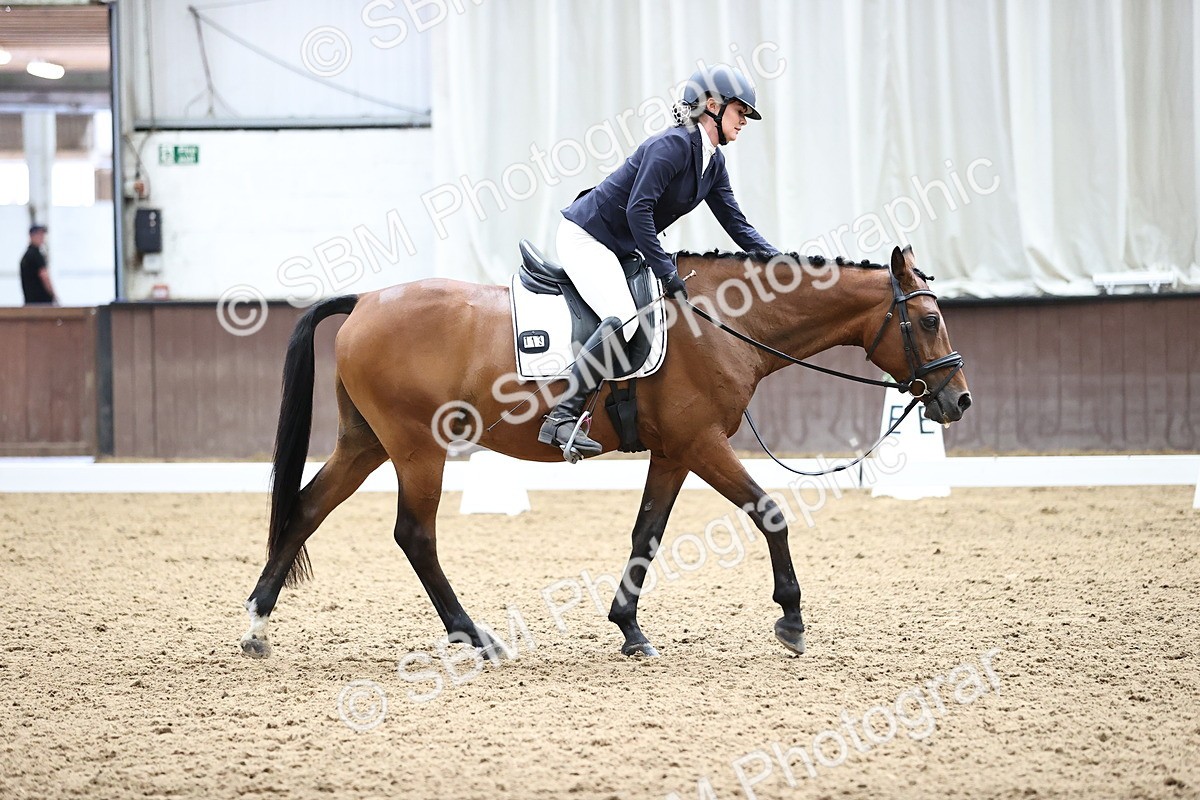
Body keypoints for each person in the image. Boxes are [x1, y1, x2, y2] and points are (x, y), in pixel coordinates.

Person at [539, 63, 779, 460]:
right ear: (712, 107)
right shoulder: (671, 146)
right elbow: (638, 210)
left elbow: (738, 226)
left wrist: (783, 263)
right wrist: (668, 273)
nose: (745, 121)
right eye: (741, 112)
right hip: (587, 237)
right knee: (623, 317)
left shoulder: (712, 163)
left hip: (621, 246)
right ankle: (561, 416)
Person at [20, 224, 57, 305]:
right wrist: (54, 295)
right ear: (31, 236)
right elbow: (44, 275)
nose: (42, 237)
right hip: (41, 303)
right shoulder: (36, 254)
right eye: (39, 234)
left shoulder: (26, 256)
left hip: (30, 303)